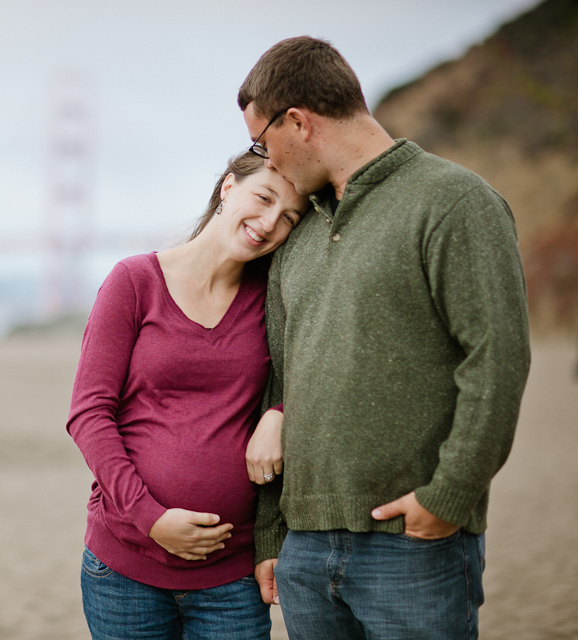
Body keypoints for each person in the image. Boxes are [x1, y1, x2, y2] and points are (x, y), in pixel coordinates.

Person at [238, 37, 531, 639]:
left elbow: (497, 361)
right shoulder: (300, 233)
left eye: (262, 143)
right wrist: (273, 536)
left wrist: (447, 499)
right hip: (305, 552)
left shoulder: (454, 202)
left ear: (298, 122)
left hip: (412, 547)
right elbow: (279, 384)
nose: (266, 161)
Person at [66, 150, 307, 640]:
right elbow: (89, 414)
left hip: (232, 573)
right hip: (125, 566)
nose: (268, 224)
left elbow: (308, 374)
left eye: (288, 218)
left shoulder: (273, 297)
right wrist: (151, 519)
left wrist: (281, 413)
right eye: (263, 198)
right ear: (227, 188)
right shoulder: (133, 282)